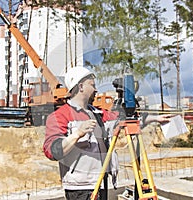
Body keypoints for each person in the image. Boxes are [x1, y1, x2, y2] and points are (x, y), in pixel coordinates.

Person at [43, 66, 173, 200]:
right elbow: (52, 151)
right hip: (80, 189)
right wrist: (77, 134)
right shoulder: (59, 116)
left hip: (101, 184)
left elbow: (123, 119)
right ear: (80, 86)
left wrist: (156, 118)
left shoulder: (98, 114)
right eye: (92, 85)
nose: (96, 89)